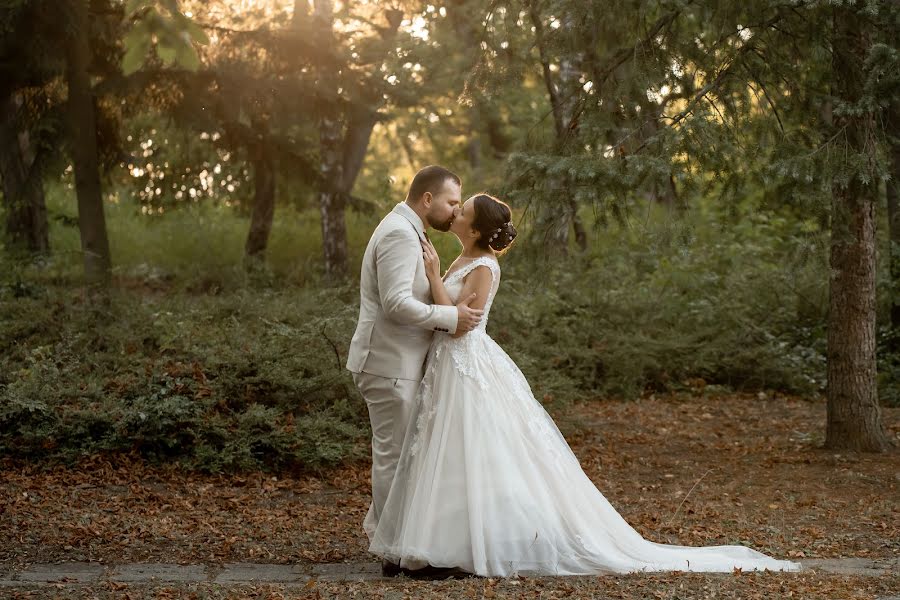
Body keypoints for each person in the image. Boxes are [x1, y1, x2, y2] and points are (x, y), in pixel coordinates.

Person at [366, 193, 803, 577]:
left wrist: (436, 277)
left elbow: (460, 326)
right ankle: (437, 541)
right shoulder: (462, 258)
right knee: (444, 454)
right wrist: (438, 277)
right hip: (444, 367)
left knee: (471, 451)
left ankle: (467, 546)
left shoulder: (483, 267)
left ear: (476, 229)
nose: (455, 212)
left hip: (465, 363)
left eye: (462, 210)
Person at [345, 165, 485, 577]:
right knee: (392, 458)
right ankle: (396, 554)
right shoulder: (397, 233)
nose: (455, 210)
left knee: (402, 458)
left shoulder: (411, 231)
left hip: (400, 364)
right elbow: (395, 304)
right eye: (451, 202)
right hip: (388, 365)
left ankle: (400, 548)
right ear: (427, 200)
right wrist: (449, 316)